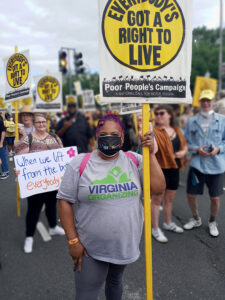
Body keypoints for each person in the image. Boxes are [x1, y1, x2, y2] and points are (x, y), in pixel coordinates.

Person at [57, 113, 165, 300]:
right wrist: (73, 241)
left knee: (115, 282)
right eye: (104, 134)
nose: (109, 138)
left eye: (114, 134)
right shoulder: (79, 163)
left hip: (124, 246)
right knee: (87, 294)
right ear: (96, 137)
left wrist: (152, 154)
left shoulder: (134, 160)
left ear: (122, 137)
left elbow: (157, 188)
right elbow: (64, 200)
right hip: (90, 249)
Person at [15, 113, 65, 253]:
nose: (41, 124)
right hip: (35, 183)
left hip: (53, 182)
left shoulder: (55, 137)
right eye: (38, 122)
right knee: (33, 209)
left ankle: (53, 227)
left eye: (43, 122)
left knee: (51, 205)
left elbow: (62, 156)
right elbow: (20, 160)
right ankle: (29, 237)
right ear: (34, 123)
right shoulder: (28, 139)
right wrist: (18, 170)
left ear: (47, 122)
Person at [184, 89, 225, 237]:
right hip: (197, 165)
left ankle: (212, 221)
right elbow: (186, 143)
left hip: (217, 165)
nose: (206, 103)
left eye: (209, 100)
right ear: (199, 102)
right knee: (190, 195)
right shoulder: (192, 121)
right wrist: (196, 149)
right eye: (203, 100)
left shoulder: (222, 120)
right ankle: (196, 219)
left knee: (215, 197)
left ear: (213, 101)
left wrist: (219, 149)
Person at [151, 105, 188, 243]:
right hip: (159, 169)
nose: (159, 116)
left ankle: (167, 223)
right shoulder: (153, 130)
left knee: (169, 199)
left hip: (174, 167)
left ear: (169, 115)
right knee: (156, 200)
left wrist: (183, 152)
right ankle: (155, 228)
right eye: (157, 113)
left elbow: (184, 146)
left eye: (162, 113)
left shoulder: (177, 130)